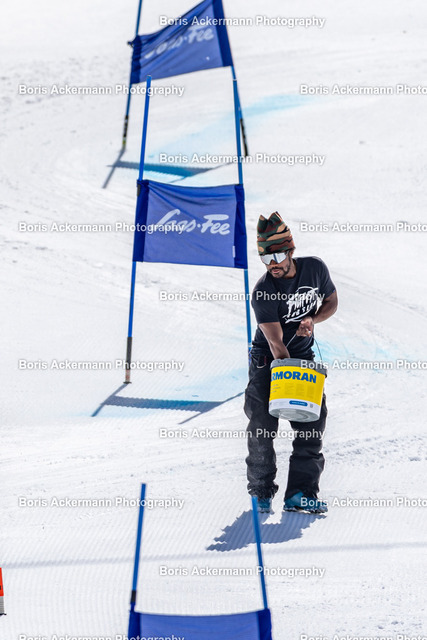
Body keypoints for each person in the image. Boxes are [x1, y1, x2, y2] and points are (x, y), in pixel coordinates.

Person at [244, 212, 338, 513]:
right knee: (262, 426)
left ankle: (300, 493)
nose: (272, 264)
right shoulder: (263, 291)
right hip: (268, 361)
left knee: (311, 424)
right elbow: (276, 343)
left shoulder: (315, 269)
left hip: (303, 358)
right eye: (265, 258)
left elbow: (331, 301)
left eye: (277, 256)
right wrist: (291, 380)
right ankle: (261, 492)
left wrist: (312, 319)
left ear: (290, 250)